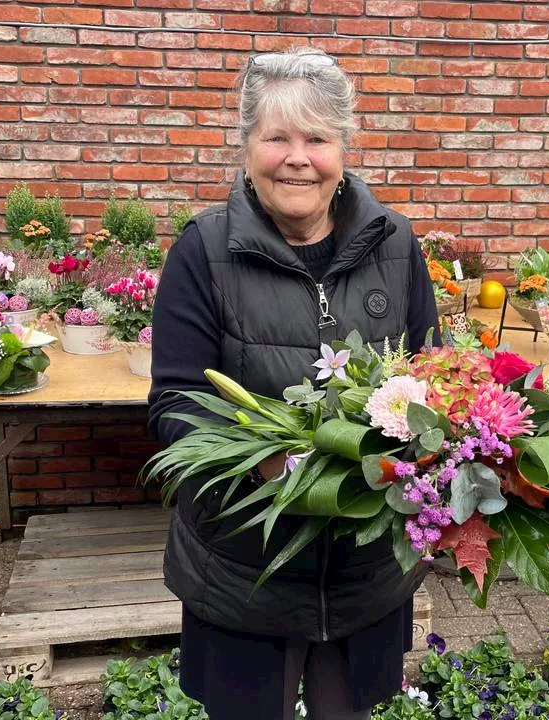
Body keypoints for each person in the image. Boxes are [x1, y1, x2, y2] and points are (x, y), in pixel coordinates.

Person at [147, 48, 439, 720]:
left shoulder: (395, 244)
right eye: (276, 137)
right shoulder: (204, 250)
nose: (297, 157)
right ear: (247, 148)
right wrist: (261, 461)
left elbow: (435, 376)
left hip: (366, 568)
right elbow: (173, 405)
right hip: (246, 567)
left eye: (317, 138)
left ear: (343, 149)